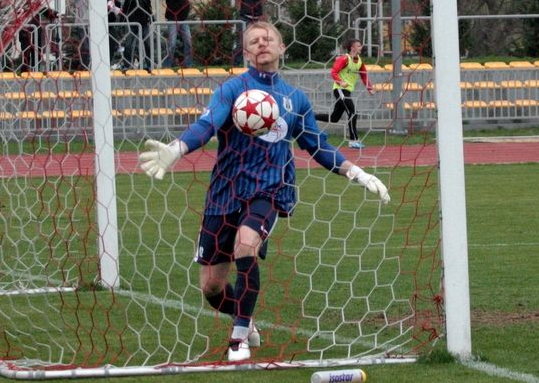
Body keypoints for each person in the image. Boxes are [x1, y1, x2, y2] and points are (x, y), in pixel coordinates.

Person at [138, 21, 390, 362]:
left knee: (246, 246)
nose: (261, 44)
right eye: (254, 41)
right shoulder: (232, 89)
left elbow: (317, 146)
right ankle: (246, 315)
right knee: (211, 287)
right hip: (224, 191)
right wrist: (178, 148)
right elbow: (207, 125)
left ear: (282, 48)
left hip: (270, 189)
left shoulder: (295, 99)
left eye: (268, 39)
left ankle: (239, 338)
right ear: (246, 52)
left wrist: (356, 172)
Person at [315, 38, 375, 150]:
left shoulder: (360, 61)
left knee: (334, 118)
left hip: (347, 91)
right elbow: (333, 72)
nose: (361, 47)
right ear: (352, 48)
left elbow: (364, 75)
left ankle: (312, 116)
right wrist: (340, 82)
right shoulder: (344, 59)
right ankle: (353, 140)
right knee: (352, 112)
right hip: (339, 90)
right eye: (359, 45)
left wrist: (369, 88)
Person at [221, 0, 277, 65]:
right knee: (241, 41)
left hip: (256, 20)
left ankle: (255, 62)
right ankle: (235, 64)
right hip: (245, 19)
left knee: (255, 41)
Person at [117, 0, 155, 71]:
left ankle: (149, 65)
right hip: (132, 24)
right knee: (129, 45)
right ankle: (127, 65)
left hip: (144, 24)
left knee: (147, 45)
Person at [162, 0, 204, 67]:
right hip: (173, 20)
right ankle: (167, 65)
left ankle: (188, 65)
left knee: (188, 42)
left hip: (183, 20)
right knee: (172, 44)